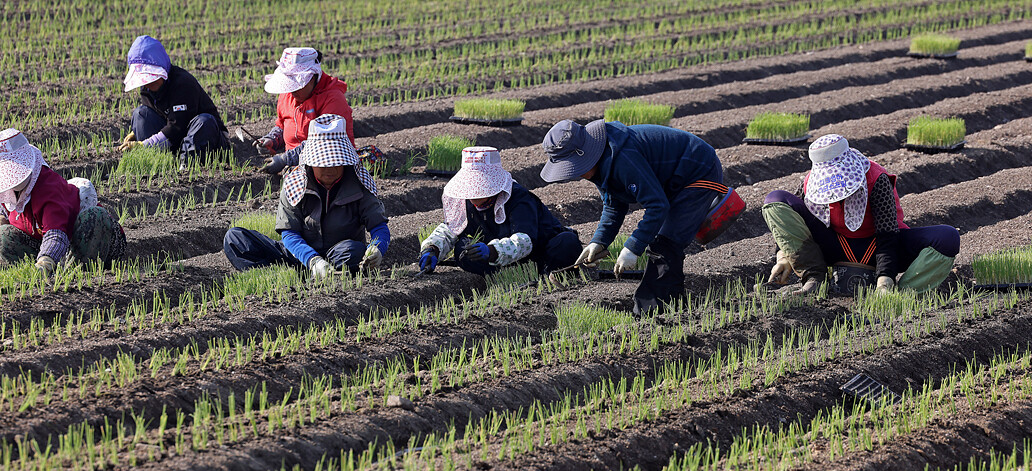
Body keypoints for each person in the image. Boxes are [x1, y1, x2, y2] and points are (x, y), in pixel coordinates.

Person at [540, 119, 740, 315]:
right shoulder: (601, 161)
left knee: (666, 244)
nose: (577, 174)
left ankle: (655, 312)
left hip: (699, 172)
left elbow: (657, 205)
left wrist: (632, 247)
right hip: (671, 178)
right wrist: (598, 241)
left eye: (574, 166)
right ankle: (667, 307)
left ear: (585, 155)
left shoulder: (622, 158)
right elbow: (613, 205)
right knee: (662, 238)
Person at [760, 134, 959, 296]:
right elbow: (795, 222)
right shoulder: (810, 183)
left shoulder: (875, 178)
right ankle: (814, 278)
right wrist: (783, 256)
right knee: (776, 199)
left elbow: (887, 234)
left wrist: (885, 278)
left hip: (877, 248)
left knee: (947, 237)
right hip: (835, 246)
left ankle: (903, 294)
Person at [222, 114, 388, 277]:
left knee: (355, 251)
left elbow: (378, 226)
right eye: (323, 163)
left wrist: (377, 248)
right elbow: (289, 233)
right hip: (298, 254)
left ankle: (320, 272)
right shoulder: (295, 182)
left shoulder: (359, 183)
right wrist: (312, 260)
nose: (330, 168)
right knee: (235, 238)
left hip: (339, 253)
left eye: (336, 163)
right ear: (310, 162)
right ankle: (284, 275)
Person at [0, 129, 125, 274]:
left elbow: (56, 233)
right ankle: (52, 265)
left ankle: (73, 270)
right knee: (2, 237)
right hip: (44, 239)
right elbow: (4, 210)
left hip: (90, 238)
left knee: (94, 216)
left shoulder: (48, 189)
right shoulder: (10, 190)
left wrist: (45, 261)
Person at [416, 146, 580, 277]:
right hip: (499, 260)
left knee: (567, 243)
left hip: (539, 253)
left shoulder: (519, 199)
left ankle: (542, 277)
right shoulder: (464, 201)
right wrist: (432, 249)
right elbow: (451, 229)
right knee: (463, 251)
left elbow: (524, 241)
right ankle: (504, 276)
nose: (473, 195)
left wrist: (493, 251)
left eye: (479, 188)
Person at [118, 35, 228, 161]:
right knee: (141, 114)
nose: (148, 83)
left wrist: (144, 145)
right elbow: (156, 116)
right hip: (174, 140)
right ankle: (155, 164)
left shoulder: (182, 84)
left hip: (204, 141)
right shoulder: (146, 89)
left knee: (204, 121)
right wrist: (136, 133)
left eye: (151, 78)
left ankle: (187, 167)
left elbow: (177, 128)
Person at [248, 47, 354, 176]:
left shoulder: (332, 99)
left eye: (297, 85)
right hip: (295, 167)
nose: (292, 91)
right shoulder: (287, 95)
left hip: (328, 170)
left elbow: (326, 142)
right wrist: (272, 139)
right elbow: (283, 126)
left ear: (313, 77)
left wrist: (286, 159)